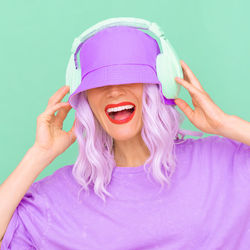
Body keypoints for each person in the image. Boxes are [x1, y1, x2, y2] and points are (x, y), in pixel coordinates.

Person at [1, 25, 250, 250]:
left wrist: (227, 124)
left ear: (160, 84)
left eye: (130, 77)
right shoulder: (57, 198)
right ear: (84, 97)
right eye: (99, 82)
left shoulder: (224, 164)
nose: (114, 91)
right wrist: (38, 154)